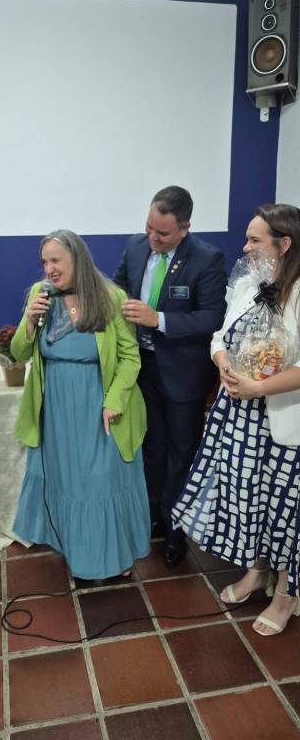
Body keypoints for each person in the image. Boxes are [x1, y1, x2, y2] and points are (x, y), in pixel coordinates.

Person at [173, 204, 300, 636]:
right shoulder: (248, 284)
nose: (244, 247)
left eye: (254, 240)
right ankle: (257, 572)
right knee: (247, 500)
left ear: (284, 244)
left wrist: (258, 387)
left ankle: (286, 594)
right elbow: (219, 337)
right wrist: (225, 364)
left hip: (282, 428)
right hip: (238, 418)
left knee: (284, 512)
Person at [11, 230, 151, 580]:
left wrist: (114, 400)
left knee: (100, 482)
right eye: (45, 262)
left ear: (78, 259)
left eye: (56, 260)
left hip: (100, 406)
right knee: (69, 481)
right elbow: (18, 353)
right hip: (56, 409)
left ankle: (113, 557)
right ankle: (78, 551)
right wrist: (29, 320)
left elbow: (130, 357)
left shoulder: (110, 297)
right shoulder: (40, 294)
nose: (49, 269)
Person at [114, 186, 226, 566]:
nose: (153, 238)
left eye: (162, 233)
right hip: (142, 369)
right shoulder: (135, 246)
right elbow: (118, 288)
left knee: (181, 454)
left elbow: (212, 317)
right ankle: (152, 519)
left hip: (184, 376)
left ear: (185, 227)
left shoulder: (207, 258)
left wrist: (158, 319)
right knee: (152, 449)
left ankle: (176, 527)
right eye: (149, 227)